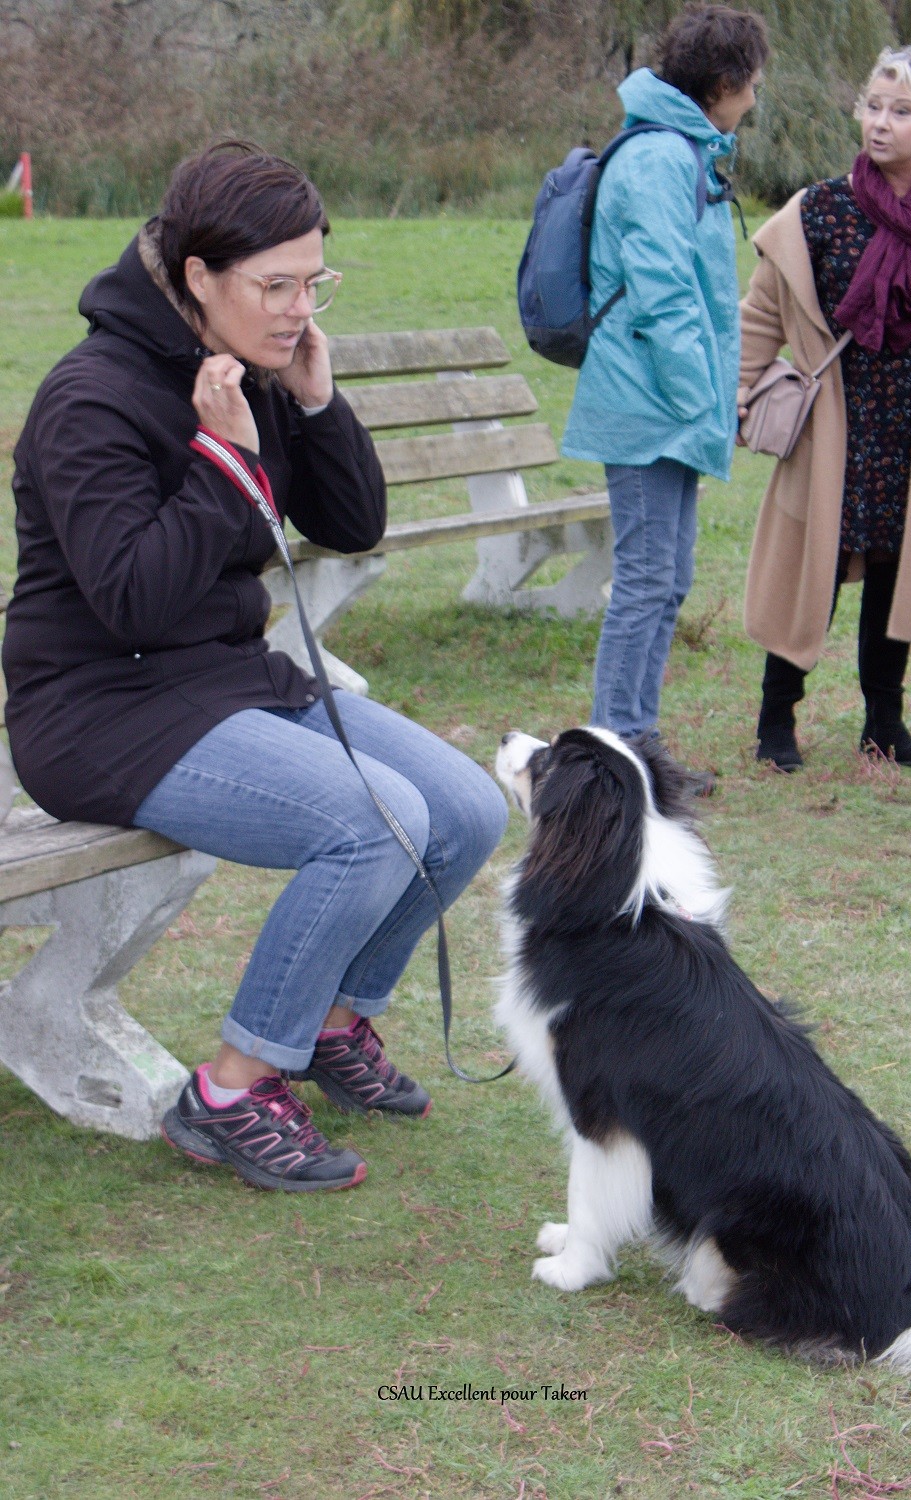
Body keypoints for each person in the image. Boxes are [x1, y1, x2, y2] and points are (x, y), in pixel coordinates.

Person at [3, 141, 509, 1192]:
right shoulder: (87, 399)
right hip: (100, 709)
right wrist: (223, 459)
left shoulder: (258, 368)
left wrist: (316, 406)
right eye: (274, 286)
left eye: (312, 283)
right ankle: (231, 1090)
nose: (296, 308)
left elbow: (352, 521)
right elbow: (132, 596)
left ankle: (327, 1022)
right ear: (197, 277)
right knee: (374, 824)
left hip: (228, 681)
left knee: (464, 808)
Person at [740, 46, 911, 772]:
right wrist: (741, 397)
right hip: (834, 426)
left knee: (896, 571)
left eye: (901, 111)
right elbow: (761, 314)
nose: (880, 124)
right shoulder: (821, 208)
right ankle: (775, 723)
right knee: (809, 574)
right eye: (873, 107)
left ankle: (885, 723)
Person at [562, 3, 769, 771]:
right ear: (721, 84)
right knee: (648, 579)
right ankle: (611, 754)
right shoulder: (658, 161)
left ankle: (636, 743)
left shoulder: (686, 151)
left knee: (668, 578)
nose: (755, 97)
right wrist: (703, 401)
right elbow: (664, 298)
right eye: (750, 84)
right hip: (649, 406)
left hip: (666, 406)